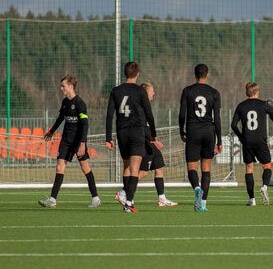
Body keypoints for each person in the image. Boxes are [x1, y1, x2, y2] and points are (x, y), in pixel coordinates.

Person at [38, 75, 100, 208]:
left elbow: (85, 124)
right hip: (66, 140)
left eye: (63, 86)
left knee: (85, 168)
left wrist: (83, 143)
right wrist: (51, 131)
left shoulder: (80, 104)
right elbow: (61, 118)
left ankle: (95, 198)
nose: (61, 88)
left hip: (78, 141)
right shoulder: (65, 102)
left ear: (71, 87)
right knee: (59, 167)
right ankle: (52, 199)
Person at [115, 82, 177, 207]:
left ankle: (162, 198)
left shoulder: (145, 106)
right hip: (143, 143)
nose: (153, 93)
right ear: (144, 92)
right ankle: (124, 192)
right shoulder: (139, 108)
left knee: (159, 167)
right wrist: (153, 140)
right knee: (142, 172)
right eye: (151, 91)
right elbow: (141, 128)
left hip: (150, 143)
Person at [106, 61, 156, 213]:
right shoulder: (140, 91)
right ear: (137, 74)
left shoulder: (116, 91)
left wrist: (108, 137)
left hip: (122, 133)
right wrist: (153, 133)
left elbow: (109, 115)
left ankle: (127, 200)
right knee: (135, 168)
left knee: (126, 167)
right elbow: (149, 113)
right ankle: (129, 202)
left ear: (124, 73)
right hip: (136, 132)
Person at [178, 63, 222, 212]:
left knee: (192, 166)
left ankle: (197, 188)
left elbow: (182, 114)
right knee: (206, 168)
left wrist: (181, 130)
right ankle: (203, 204)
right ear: (207, 74)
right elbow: (218, 118)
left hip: (193, 131)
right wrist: (220, 140)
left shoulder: (187, 91)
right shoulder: (214, 92)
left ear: (194, 74)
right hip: (209, 132)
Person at [231, 82, 273, 206]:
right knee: (267, 165)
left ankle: (252, 199)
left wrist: (241, 137)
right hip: (260, 140)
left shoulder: (241, 106)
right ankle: (264, 186)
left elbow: (233, 125)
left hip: (247, 141)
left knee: (249, 168)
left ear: (246, 92)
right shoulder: (263, 104)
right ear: (257, 92)